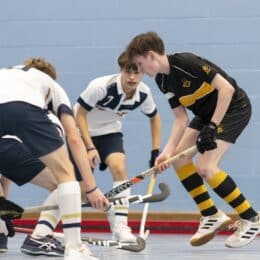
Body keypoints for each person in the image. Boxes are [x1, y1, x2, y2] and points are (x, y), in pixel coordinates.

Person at [126, 31, 260, 248]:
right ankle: (211, 215)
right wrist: (167, 152)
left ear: (151, 55)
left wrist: (213, 127)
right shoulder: (162, 80)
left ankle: (252, 218)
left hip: (233, 107)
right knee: (180, 160)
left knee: (206, 167)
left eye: (141, 64)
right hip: (205, 114)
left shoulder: (186, 62)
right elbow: (180, 119)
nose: (141, 71)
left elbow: (227, 89)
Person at [0, 58, 109, 260]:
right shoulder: (50, 88)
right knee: (66, 180)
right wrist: (91, 189)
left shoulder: (6, 75)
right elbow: (74, 139)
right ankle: (69, 246)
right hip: (20, 123)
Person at [73, 51, 161, 242]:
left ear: (143, 72)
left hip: (110, 133)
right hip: (81, 133)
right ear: (120, 70)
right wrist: (89, 148)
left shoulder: (144, 93)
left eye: (136, 72)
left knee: (119, 168)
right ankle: (106, 210)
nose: (132, 77)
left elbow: (154, 117)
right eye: (127, 72)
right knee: (81, 192)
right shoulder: (101, 87)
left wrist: (155, 151)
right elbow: (79, 115)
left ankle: (120, 227)